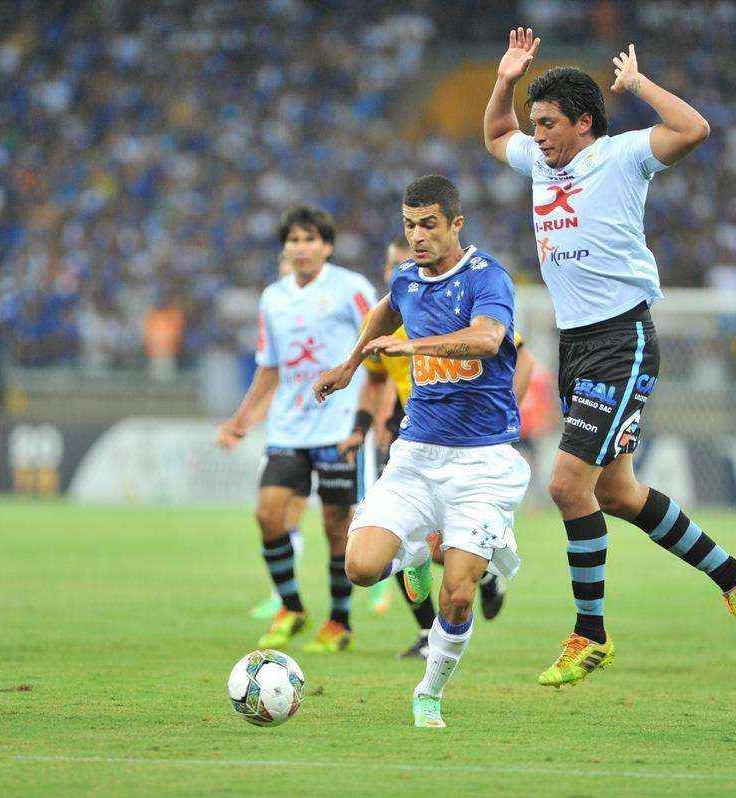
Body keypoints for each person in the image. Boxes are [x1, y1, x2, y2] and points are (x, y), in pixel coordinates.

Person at [482, 28, 736, 687]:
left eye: (549, 124)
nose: (538, 136)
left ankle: (591, 635)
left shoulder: (622, 156)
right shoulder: (541, 163)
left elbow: (693, 128)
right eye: (536, 124)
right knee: (615, 491)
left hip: (621, 340)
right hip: (575, 344)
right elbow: (496, 135)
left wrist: (638, 85)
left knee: (566, 485)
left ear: (584, 123)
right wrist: (504, 81)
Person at [314, 175, 529, 727]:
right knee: (361, 567)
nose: (417, 236)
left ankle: (429, 691)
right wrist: (350, 364)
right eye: (409, 225)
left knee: (456, 595)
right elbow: (386, 310)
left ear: (456, 224)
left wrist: (411, 346)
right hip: (417, 456)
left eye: (428, 224)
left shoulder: (488, 277)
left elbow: (487, 339)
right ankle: (411, 555)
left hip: (482, 462)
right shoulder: (408, 278)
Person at [217, 206, 383, 653]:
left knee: (336, 526)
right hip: (288, 429)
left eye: (310, 239)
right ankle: (291, 607)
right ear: (285, 248)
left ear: (327, 246)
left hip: (338, 426)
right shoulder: (273, 298)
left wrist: (373, 411)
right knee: (268, 515)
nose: (301, 247)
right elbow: (269, 367)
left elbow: (377, 346)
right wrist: (240, 420)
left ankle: (340, 622)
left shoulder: (352, 289)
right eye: (293, 240)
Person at [364, 234, 538, 659]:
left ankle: (486, 573)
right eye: (392, 264)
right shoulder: (388, 317)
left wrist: (499, 414)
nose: (401, 269)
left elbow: (521, 358)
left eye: (406, 261)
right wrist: (370, 424)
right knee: (394, 537)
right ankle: (427, 632)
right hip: (413, 435)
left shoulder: (458, 306)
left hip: (467, 439)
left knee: (444, 547)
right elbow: (376, 378)